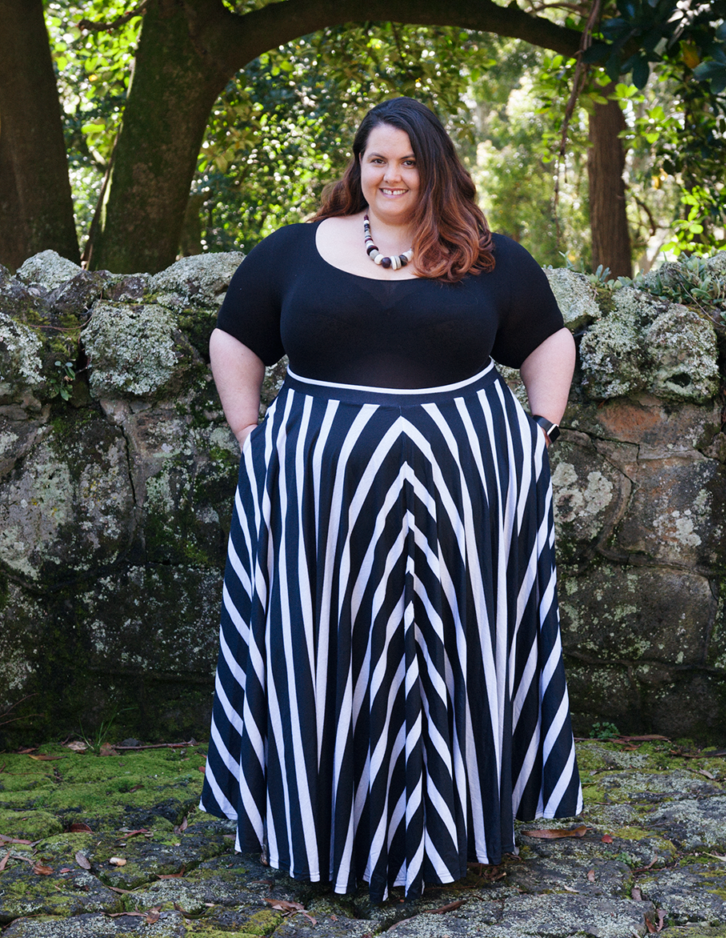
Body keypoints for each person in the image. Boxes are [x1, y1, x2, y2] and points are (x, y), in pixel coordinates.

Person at [199, 96, 582, 902]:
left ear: (433, 168)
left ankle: (454, 831)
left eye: (408, 161)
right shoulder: (292, 252)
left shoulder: (487, 256)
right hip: (321, 506)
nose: (392, 175)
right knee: (324, 656)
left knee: (453, 657)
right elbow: (235, 335)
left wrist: (536, 431)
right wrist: (251, 435)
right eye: (378, 159)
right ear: (357, 167)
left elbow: (549, 340)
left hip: (460, 499)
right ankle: (320, 831)